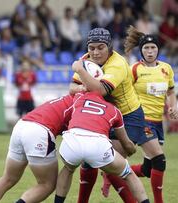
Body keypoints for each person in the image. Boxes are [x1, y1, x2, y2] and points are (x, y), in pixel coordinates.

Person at [69, 27, 151, 203]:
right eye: (91, 48)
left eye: (100, 47)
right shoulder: (86, 60)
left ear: (110, 47)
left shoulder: (117, 64)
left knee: (108, 162)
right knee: (94, 162)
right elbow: (71, 89)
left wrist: (80, 70)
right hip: (105, 118)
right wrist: (83, 86)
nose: (95, 52)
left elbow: (100, 90)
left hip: (129, 117)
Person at [55, 91, 150, 203]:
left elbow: (73, 89)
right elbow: (126, 144)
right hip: (97, 144)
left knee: (68, 169)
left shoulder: (80, 97)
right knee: (128, 174)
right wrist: (132, 149)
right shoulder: (115, 111)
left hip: (72, 141)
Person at [0, 94, 75, 203]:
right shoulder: (83, 102)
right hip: (39, 131)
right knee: (47, 184)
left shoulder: (70, 97)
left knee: (8, 178)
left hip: (22, 125)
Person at [123, 25, 178, 203]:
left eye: (153, 47)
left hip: (157, 122)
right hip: (141, 120)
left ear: (158, 50)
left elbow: (170, 92)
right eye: (146, 48)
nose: (150, 51)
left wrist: (173, 106)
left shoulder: (166, 69)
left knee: (148, 169)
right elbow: (123, 92)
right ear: (141, 51)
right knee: (160, 160)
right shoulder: (134, 69)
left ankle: (114, 173)